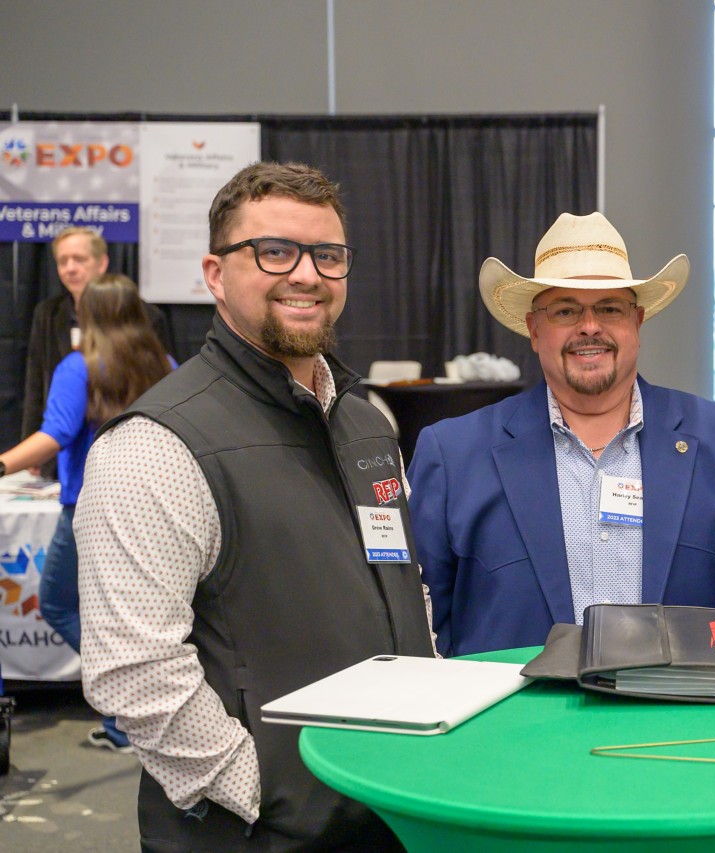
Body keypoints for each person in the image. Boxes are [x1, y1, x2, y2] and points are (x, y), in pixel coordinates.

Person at [76, 161, 436, 850]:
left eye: (327, 255)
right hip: (259, 832)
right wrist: (265, 792)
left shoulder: (366, 425)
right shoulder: (155, 444)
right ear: (215, 275)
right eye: (275, 251)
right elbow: (133, 670)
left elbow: (404, 591)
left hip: (385, 812)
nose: (307, 274)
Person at [407, 211, 715, 657]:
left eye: (609, 308)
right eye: (565, 310)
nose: (589, 326)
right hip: (517, 723)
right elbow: (419, 632)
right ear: (534, 330)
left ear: (637, 322)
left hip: (685, 723)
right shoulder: (454, 455)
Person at [1, 274, 174, 753]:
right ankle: (134, 714)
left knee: (58, 606)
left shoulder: (79, 367)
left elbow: (54, 433)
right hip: (152, 507)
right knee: (133, 615)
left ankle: (127, 711)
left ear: (88, 318)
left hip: (89, 509)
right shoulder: (167, 365)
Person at [22, 227, 171, 478]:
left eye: (79, 259)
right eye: (62, 261)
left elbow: (162, 386)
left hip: (123, 451)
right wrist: (32, 447)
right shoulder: (47, 313)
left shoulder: (146, 317)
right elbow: (36, 381)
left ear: (102, 263)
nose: (70, 268)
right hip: (58, 453)